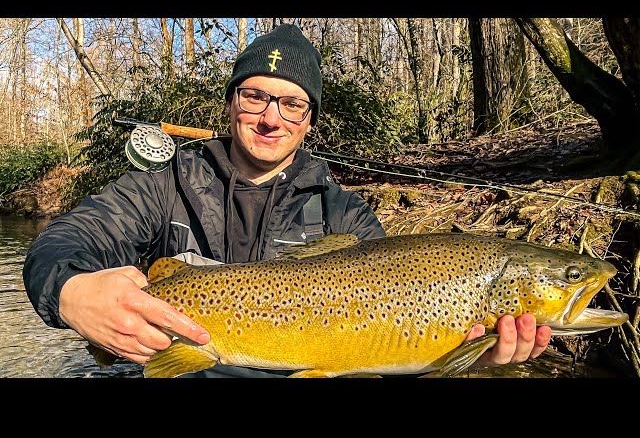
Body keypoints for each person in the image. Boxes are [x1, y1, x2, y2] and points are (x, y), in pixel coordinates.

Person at [22, 23, 551, 378]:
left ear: (310, 119)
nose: (270, 118)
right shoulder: (165, 185)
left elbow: (389, 344)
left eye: (292, 104)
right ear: (231, 103)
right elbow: (65, 239)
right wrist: (70, 291)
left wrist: (465, 358)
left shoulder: (347, 215)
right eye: (254, 96)